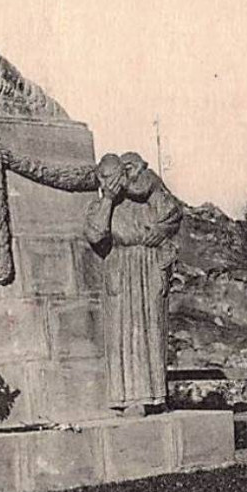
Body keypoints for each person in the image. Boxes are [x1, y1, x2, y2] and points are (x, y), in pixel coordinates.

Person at [83, 152, 183, 415]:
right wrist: (107, 200)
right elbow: (95, 233)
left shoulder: (147, 197)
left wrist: (161, 229)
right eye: (103, 178)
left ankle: (156, 396)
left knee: (152, 329)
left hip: (149, 266)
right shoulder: (101, 206)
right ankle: (128, 399)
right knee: (124, 335)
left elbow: (173, 213)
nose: (110, 182)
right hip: (121, 268)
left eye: (114, 175)